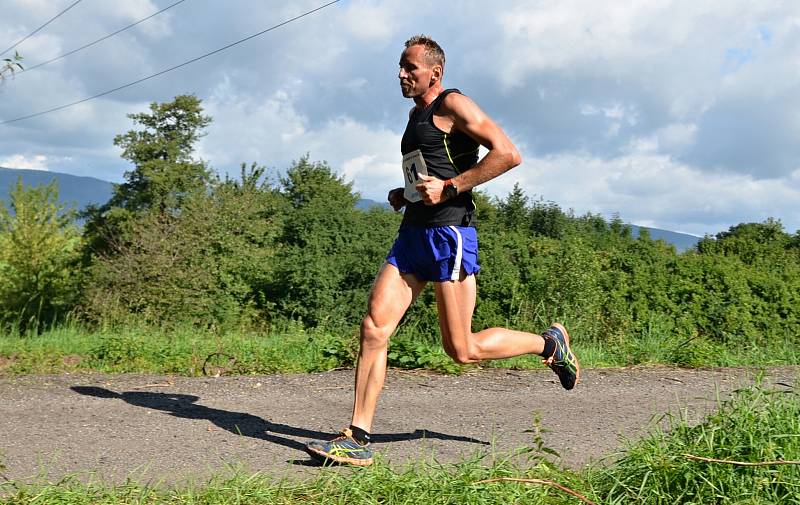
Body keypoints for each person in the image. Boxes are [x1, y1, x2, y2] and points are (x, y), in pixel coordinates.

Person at [305, 35, 579, 467]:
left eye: (410, 68)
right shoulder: (417, 114)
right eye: (400, 66)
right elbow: (430, 173)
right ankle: (357, 437)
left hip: (449, 235)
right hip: (413, 232)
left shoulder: (453, 104)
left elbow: (507, 154)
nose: (401, 74)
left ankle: (548, 344)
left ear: (435, 72)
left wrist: (450, 187)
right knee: (374, 328)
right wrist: (408, 193)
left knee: (462, 350)